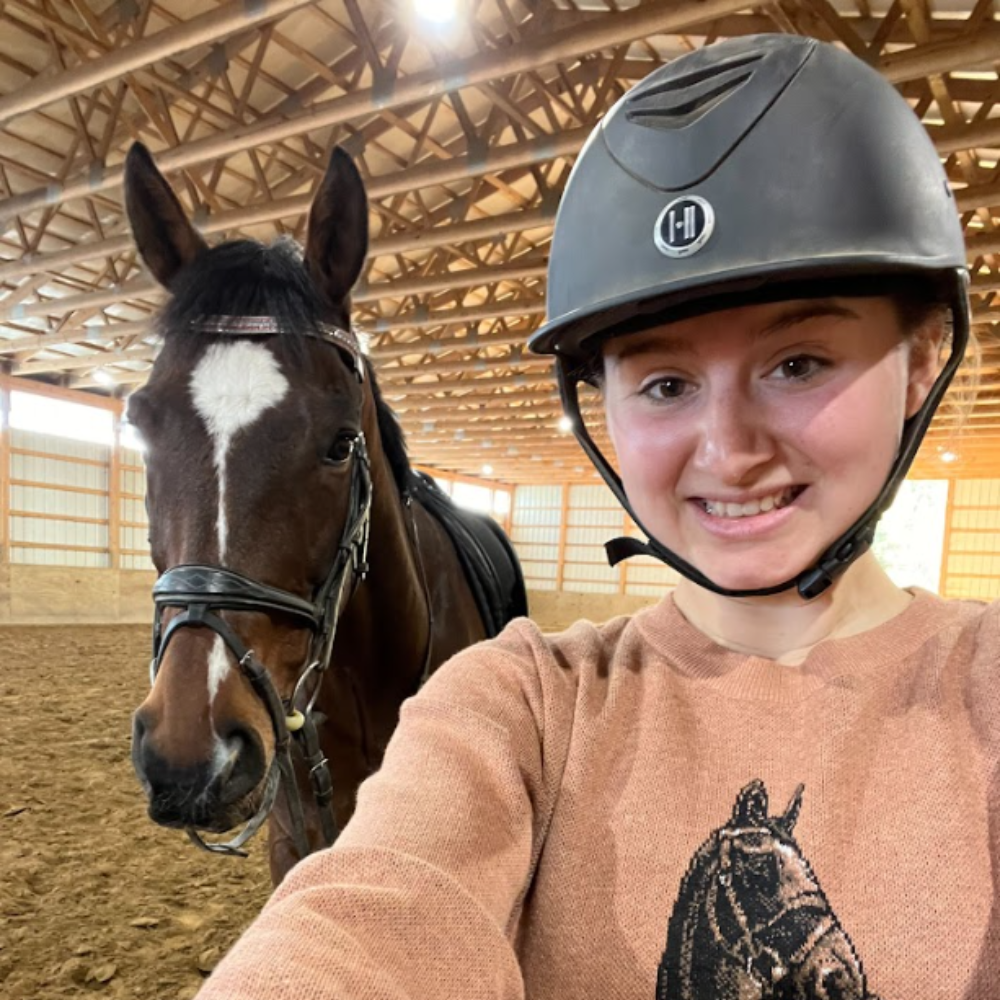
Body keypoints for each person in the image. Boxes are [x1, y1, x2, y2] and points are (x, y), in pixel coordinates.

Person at [195, 34, 996, 1000]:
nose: (728, 448)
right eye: (664, 383)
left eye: (799, 364)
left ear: (923, 360)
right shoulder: (520, 701)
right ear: (598, 404)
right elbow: (373, 911)